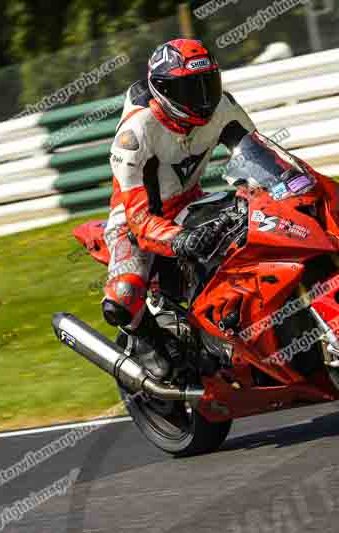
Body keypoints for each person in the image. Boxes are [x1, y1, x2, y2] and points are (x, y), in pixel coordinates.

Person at [102, 38, 255, 378]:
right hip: (135, 221)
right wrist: (179, 240)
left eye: (207, 84)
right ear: (164, 90)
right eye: (189, 89)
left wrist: (263, 189)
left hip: (191, 201)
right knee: (123, 295)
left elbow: (259, 154)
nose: (202, 98)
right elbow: (140, 220)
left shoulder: (222, 108)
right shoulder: (136, 133)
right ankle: (147, 343)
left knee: (256, 231)